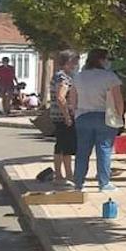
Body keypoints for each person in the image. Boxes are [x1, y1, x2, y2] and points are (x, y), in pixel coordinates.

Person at [69, 48, 124, 193]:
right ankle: (104, 183)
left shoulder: (78, 77)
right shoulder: (109, 77)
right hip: (104, 116)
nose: (108, 62)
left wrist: (74, 114)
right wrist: (120, 115)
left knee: (82, 151)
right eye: (107, 59)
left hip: (83, 116)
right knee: (104, 150)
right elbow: (118, 99)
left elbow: (72, 99)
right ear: (101, 60)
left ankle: (78, 183)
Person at [50, 50, 79, 185]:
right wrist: (67, 116)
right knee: (64, 146)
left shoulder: (59, 76)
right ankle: (62, 175)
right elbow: (61, 98)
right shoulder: (63, 78)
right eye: (74, 62)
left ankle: (66, 174)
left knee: (63, 146)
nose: (75, 65)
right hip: (63, 117)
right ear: (67, 62)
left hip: (58, 115)